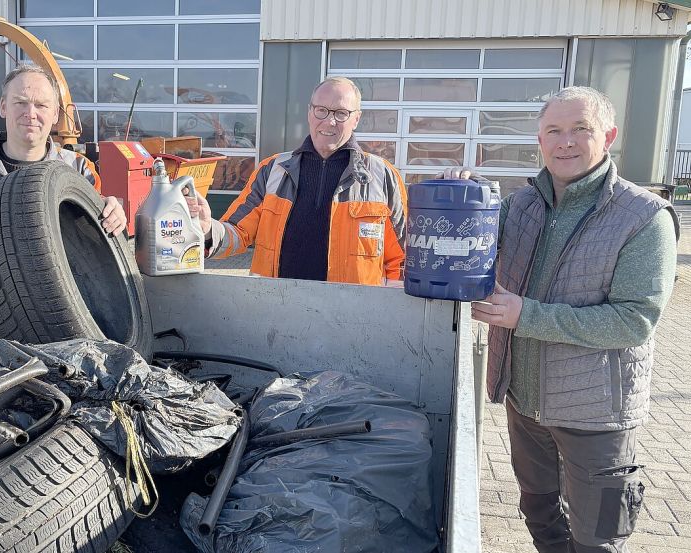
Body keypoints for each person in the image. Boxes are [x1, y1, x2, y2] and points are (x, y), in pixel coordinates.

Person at [456, 86, 679, 552]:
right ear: (540, 140)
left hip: (595, 414)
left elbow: (634, 321)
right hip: (525, 403)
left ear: (609, 135)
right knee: (539, 515)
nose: (566, 142)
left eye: (581, 129)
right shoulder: (522, 205)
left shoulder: (644, 217)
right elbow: (477, 247)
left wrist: (526, 315)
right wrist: (462, 194)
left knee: (598, 537)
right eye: (554, 130)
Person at [0, 65, 126, 309]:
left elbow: (97, 254)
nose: (31, 113)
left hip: (55, 318)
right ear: (3, 107)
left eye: (41, 105)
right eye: (20, 102)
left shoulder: (80, 171)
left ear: (56, 114)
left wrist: (114, 214)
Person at [186, 77, 407, 285]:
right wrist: (207, 229)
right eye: (321, 110)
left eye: (341, 113)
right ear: (310, 112)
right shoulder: (272, 171)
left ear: (356, 118)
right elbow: (238, 232)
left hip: (352, 317)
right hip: (277, 309)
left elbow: (403, 258)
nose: (329, 121)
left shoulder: (383, 177)